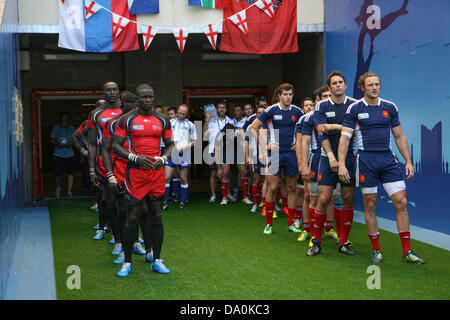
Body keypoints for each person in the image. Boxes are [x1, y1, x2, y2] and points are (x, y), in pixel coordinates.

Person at [339, 71, 424, 264]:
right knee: (370, 204)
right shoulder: (354, 109)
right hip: (366, 160)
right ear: (362, 88)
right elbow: (344, 138)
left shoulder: (389, 107)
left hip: (387, 159)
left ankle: (407, 251)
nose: (375, 87)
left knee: (401, 201)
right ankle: (376, 250)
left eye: (377, 84)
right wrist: (342, 164)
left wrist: (408, 161)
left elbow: (399, 136)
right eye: (370, 85)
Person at [113, 84, 174, 277]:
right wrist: (134, 158)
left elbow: (171, 144)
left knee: (156, 215)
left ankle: (156, 259)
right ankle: (127, 262)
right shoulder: (126, 119)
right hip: (136, 174)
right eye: (144, 97)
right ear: (137, 98)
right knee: (132, 217)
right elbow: (115, 146)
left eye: (151, 97)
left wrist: (163, 159)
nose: (148, 100)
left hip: (155, 174)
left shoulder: (163, 120)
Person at [306, 71, 357, 257]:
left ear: (345, 85)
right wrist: (332, 157)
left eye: (340, 82)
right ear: (329, 87)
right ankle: (315, 242)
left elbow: (353, 132)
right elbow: (321, 131)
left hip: (349, 158)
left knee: (348, 199)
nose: (338, 85)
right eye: (334, 83)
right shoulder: (321, 105)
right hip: (328, 159)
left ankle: (343, 243)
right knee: (324, 198)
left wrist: (332, 126)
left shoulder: (353, 105)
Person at [249, 83, 304, 235]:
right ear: (279, 95)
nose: (288, 97)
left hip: (292, 154)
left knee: (292, 187)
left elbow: (305, 130)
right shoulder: (271, 110)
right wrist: (265, 144)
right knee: (272, 187)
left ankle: (291, 223)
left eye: (290, 94)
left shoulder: (298, 111)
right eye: (285, 94)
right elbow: (253, 127)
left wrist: (298, 143)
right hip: (274, 153)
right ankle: (268, 223)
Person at [87, 82, 123, 241]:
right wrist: (91, 169)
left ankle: (133, 238)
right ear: (103, 93)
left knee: (129, 201)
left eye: (114, 89)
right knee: (107, 199)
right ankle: (106, 229)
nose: (112, 92)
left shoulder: (126, 111)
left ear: (118, 92)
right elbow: (93, 143)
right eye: (108, 90)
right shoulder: (95, 114)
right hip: (104, 160)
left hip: (124, 159)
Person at [164, 104, 197, 211]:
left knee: (183, 178)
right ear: (177, 112)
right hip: (171, 153)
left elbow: (194, 141)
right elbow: (164, 137)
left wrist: (185, 147)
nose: (181, 115)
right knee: (166, 177)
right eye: (180, 113)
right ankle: (164, 202)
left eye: (184, 114)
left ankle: (182, 202)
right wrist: (171, 142)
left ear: (186, 114)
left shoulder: (190, 125)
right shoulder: (170, 122)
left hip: (184, 154)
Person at [203, 101, 233, 205]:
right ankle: (213, 195)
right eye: (220, 107)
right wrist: (206, 120)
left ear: (226, 109)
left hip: (226, 149)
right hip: (212, 149)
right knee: (214, 173)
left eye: (223, 107)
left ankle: (227, 194)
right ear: (216, 109)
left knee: (226, 172)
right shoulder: (211, 120)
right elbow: (204, 134)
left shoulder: (230, 121)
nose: (221, 109)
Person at [243, 104, 267, 213]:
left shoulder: (269, 125)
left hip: (269, 156)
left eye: (263, 112)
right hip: (256, 157)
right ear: (256, 114)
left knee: (267, 180)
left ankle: (267, 203)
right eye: (258, 113)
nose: (260, 114)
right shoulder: (250, 126)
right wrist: (247, 156)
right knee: (257, 180)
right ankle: (256, 203)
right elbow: (246, 142)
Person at [50, 111, 76, 198]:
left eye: (66, 117)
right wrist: (58, 143)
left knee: (71, 173)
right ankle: (58, 187)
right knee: (57, 173)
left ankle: (69, 191)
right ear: (61, 118)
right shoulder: (56, 128)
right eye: (63, 117)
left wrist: (71, 143)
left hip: (70, 153)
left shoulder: (72, 128)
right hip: (58, 153)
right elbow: (52, 139)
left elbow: (76, 139)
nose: (65, 118)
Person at [230, 104, 252, 204]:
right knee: (233, 172)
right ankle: (235, 192)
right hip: (232, 149)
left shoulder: (246, 122)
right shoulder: (230, 122)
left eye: (238, 110)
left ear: (242, 112)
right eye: (235, 111)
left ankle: (245, 195)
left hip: (243, 149)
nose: (236, 112)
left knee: (244, 171)